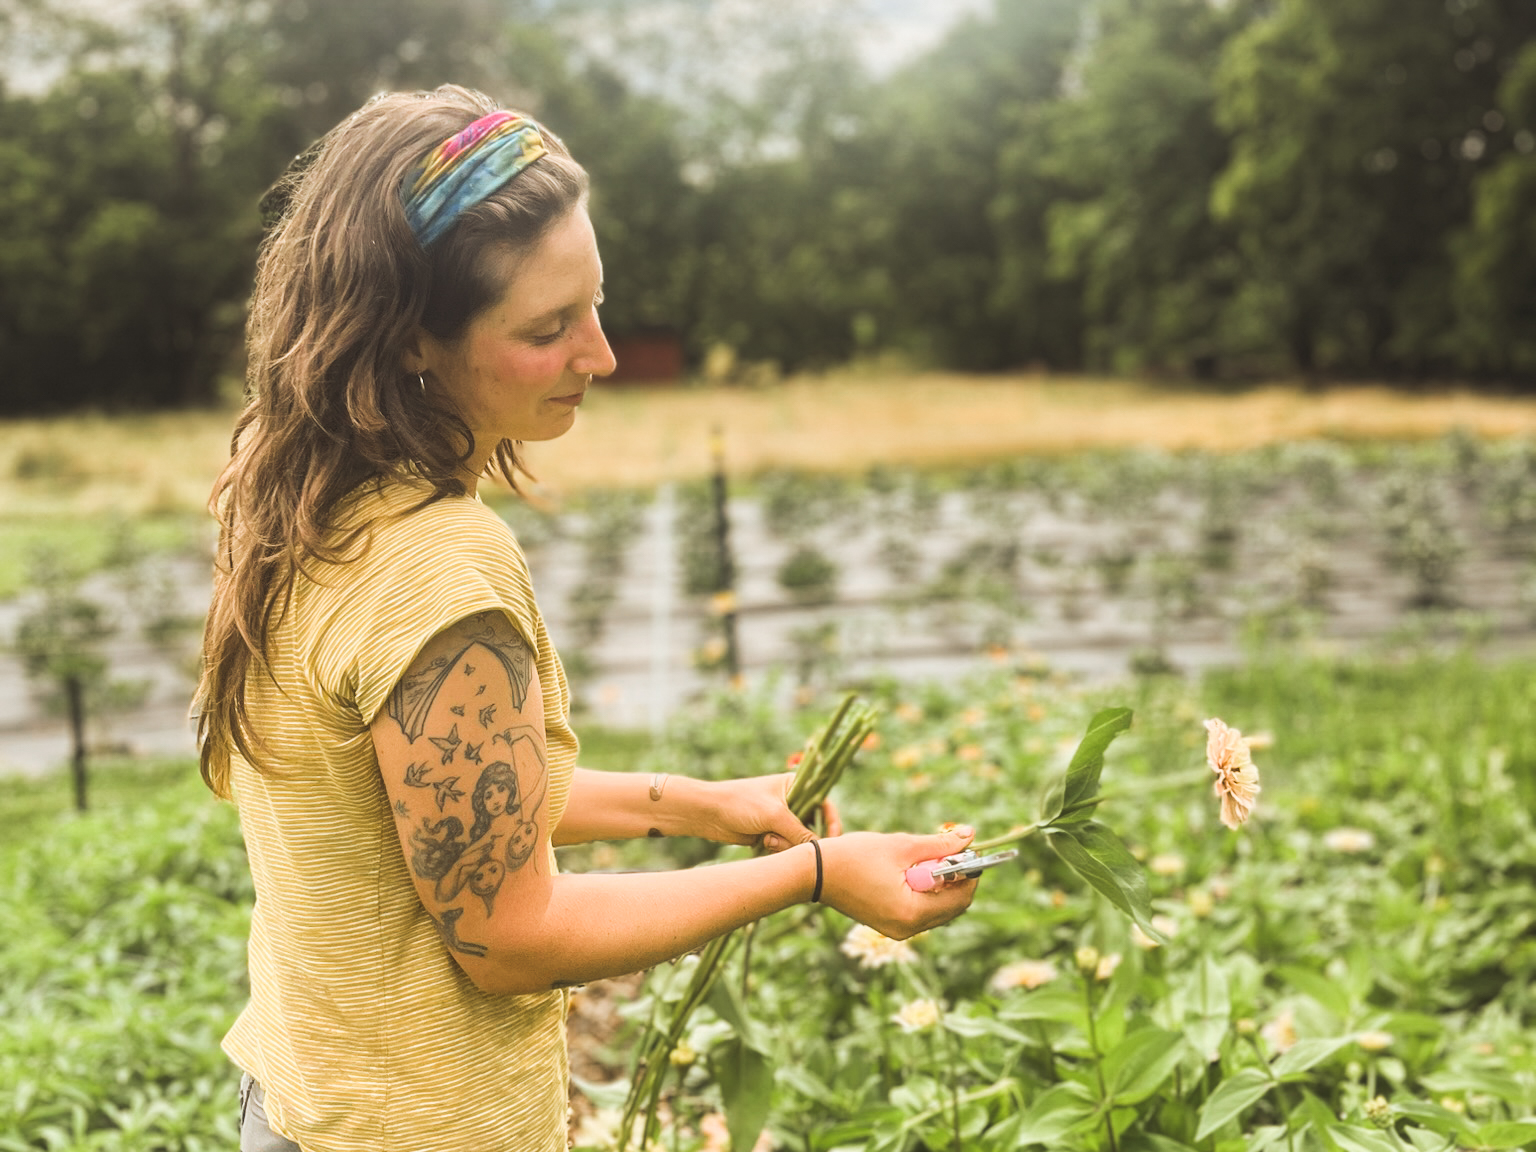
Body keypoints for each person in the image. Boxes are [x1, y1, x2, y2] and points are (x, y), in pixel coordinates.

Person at [195, 84, 979, 1152]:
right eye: (547, 328)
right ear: (415, 340)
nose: (601, 355)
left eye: (595, 305)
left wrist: (695, 803)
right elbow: (509, 935)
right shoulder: (441, 574)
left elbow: (439, 812)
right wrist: (814, 876)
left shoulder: (297, 502)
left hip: (300, 1102)